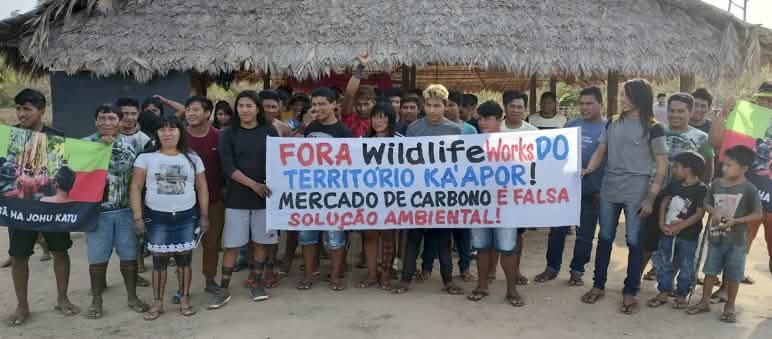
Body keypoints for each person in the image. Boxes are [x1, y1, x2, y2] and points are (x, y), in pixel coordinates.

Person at [580, 79, 668, 315]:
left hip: (637, 193)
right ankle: (598, 285)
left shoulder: (654, 128)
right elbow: (601, 151)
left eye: (626, 95)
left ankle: (630, 291)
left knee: (634, 242)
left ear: (640, 97)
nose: (622, 99)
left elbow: (661, 166)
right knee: (605, 238)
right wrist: (587, 169)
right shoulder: (612, 123)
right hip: (610, 189)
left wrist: (650, 198)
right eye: (621, 95)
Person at [6, 88, 79, 327]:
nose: (21, 113)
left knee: (60, 251)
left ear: (41, 111)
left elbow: (66, 172)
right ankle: (22, 306)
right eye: (18, 108)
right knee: (18, 256)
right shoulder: (9, 137)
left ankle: (62, 298)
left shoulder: (57, 137)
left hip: (51, 208)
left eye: (27, 108)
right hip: (20, 207)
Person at [130, 115, 208, 320]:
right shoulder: (146, 158)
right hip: (156, 218)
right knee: (159, 262)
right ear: (156, 133)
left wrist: (204, 215)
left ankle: (184, 299)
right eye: (162, 129)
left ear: (180, 132)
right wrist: (138, 217)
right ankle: (158, 303)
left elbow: (202, 187)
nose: (168, 133)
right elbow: (136, 187)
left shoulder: (192, 158)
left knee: (184, 261)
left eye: (172, 129)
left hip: (186, 217)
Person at [207, 91, 279, 309]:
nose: (244, 110)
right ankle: (224, 289)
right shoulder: (228, 134)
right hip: (237, 198)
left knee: (260, 243)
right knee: (232, 245)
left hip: (266, 197)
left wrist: (265, 185)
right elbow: (229, 168)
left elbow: (279, 161)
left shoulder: (269, 131)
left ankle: (256, 284)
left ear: (258, 108)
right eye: (241, 106)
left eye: (249, 105)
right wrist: (253, 185)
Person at [391, 84, 464, 295]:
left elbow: (457, 163)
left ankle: (448, 280)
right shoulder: (414, 129)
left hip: (443, 192)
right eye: (429, 105)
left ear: (445, 106)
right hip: (418, 191)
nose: (433, 110)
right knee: (413, 237)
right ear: (424, 106)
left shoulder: (454, 129)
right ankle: (405, 279)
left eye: (437, 106)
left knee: (443, 239)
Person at [81, 104, 149, 319]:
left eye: (112, 118)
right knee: (97, 258)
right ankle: (96, 300)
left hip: (126, 211)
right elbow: (74, 175)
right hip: (97, 212)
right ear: (95, 121)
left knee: (129, 256)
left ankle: (132, 297)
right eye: (102, 118)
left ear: (120, 122)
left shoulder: (132, 144)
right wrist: (99, 149)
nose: (107, 123)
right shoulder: (84, 144)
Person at [533, 87, 606, 285]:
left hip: (592, 191)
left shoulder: (609, 128)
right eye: (581, 104)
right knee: (557, 231)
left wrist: (603, 190)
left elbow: (613, 161)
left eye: (589, 103)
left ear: (601, 104)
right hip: (566, 189)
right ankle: (551, 268)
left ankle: (577, 271)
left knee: (585, 235)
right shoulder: (571, 124)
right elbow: (558, 154)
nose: (584, 107)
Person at [641, 93, 714, 282]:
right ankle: (635, 278)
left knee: (680, 242)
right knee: (648, 241)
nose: (675, 115)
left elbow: (708, 165)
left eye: (681, 111)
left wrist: (700, 192)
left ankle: (671, 285)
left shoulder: (701, 137)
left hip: (685, 200)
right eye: (672, 111)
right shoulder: (657, 130)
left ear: (690, 112)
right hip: (655, 193)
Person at [708, 81, 772, 290]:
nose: (766, 103)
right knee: (735, 247)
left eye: (770, 100)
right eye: (762, 99)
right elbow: (716, 143)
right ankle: (725, 290)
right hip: (746, 198)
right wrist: (724, 114)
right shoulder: (746, 122)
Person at [687, 145, 763, 323]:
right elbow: (706, 203)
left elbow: (758, 214)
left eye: (730, 165)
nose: (724, 168)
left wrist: (736, 221)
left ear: (744, 168)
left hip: (737, 241)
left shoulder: (749, 189)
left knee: (734, 274)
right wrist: (715, 212)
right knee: (710, 271)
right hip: (715, 238)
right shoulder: (716, 184)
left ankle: (730, 305)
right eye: (724, 164)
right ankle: (704, 302)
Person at [466, 100, 524, 306]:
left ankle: (511, 289)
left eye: (488, 118)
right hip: (479, 204)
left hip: (505, 205)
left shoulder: (514, 144)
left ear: (500, 120)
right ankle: (482, 286)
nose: (482, 122)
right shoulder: (469, 145)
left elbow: (523, 174)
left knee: (507, 248)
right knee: (481, 247)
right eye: (480, 118)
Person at [296, 87, 353, 291]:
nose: (317, 108)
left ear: (333, 105)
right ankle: (309, 275)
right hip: (309, 193)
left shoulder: (344, 132)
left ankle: (336, 276)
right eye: (314, 104)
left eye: (322, 104)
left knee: (335, 238)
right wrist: (302, 127)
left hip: (335, 194)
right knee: (307, 236)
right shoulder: (308, 129)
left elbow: (351, 166)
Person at [647, 151, 708, 310]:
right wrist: (661, 223)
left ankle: (681, 294)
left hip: (688, 236)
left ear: (688, 169)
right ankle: (664, 292)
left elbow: (699, 213)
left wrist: (679, 227)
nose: (674, 170)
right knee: (664, 263)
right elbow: (664, 203)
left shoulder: (701, 189)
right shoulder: (674, 185)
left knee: (687, 265)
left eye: (677, 167)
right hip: (667, 233)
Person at [183, 97, 226, 295]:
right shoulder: (178, 137)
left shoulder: (220, 137)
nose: (190, 113)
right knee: (183, 245)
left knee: (212, 242)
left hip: (215, 200)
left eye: (195, 109)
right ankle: (183, 287)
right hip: (183, 202)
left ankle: (210, 280)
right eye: (188, 110)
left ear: (208, 113)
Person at [357, 101, 401, 289]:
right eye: (375, 116)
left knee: (389, 237)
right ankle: (372, 274)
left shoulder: (401, 141)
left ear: (391, 119)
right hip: (368, 197)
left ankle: (386, 274)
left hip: (391, 197)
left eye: (383, 117)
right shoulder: (361, 141)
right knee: (370, 235)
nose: (378, 121)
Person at [499, 90, 537, 285]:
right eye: (512, 106)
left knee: (518, 234)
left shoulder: (532, 132)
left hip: (520, 193)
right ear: (505, 107)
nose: (515, 110)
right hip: (495, 193)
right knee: (494, 233)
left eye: (519, 107)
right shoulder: (495, 129)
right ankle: (490, 272)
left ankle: (516, 271)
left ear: (525, 109)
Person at [439, 89, 475, 282]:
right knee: (439, 231)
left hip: (463, 188)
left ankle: (465, 267)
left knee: (464, 232)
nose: (449, 109)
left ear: (460, 107)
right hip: (439, 187)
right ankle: (429, 267)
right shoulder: (435, 128)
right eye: (446, 105)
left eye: (452, 105)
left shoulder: (470, 130)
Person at [339, 53, 373, 137]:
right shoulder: (350, 119)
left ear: (374, 103)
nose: (362, 108)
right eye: (359, 105)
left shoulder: (380, 121)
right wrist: (361, 67)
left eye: (366, 104)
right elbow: (349, 94)